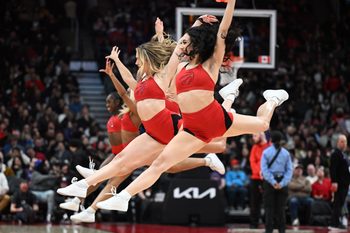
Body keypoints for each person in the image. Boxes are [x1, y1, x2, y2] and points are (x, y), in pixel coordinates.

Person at [86, 0, 289, 212]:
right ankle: (125, 196)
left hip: (216, 119)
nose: (183, 45)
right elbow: (171, 50)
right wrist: (170, 33)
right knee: (161, 164)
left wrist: (231, 3)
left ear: (197, 45)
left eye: (188, 43)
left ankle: (272, 99)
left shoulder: (211, 63)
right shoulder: (181, 65)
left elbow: (222, 31)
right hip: (192, 129)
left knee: (264, 124)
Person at [57, 16, 236, 212]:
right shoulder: (141, 83)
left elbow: (177, 49)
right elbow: (127, 80)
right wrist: (116, 62)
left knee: (218, 144)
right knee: (123, 159)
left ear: (148, 59)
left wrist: (197, 24)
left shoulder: (163, 76)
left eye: (138, 58)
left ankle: (228, 100)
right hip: (153, 132)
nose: (136, 61)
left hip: (168, 126)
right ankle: (84, 186)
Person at [261, 130, 293, 233]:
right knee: (281, 210)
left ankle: (269, 231)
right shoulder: (286, 153)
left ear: (271, 140)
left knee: (269, 210)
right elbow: (289, 171)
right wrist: (282, 183)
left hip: (270, 182)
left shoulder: (266, 152)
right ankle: (282, 231)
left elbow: (264, 170)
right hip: (282, 181)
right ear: (281, 141)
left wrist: (273, 182)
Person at [249, 132, 270, 228]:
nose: (253, 138)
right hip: (256, 178)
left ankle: (269, 223)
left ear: (261, 135)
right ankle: (254, 223)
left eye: (255, 136)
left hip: (268, 179)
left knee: (269, 202)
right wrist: (260, 172)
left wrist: (264, 173)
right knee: (255, 203)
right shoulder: (254, 148)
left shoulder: (270, 147)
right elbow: (252, 162)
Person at [329, 134, 350, 230]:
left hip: (345, 184)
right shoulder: (335, 154)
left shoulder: (343, 154)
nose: (344, 144)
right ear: (337, 142)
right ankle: (334, 223)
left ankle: (337, 222)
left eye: (345, 141)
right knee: (338, 204)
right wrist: (334, 182)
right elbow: (333, 169)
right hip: (339, 184)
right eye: (342, 141)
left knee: (340, 204)